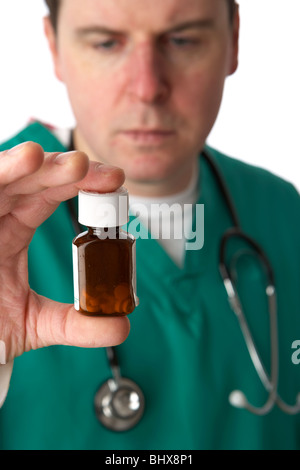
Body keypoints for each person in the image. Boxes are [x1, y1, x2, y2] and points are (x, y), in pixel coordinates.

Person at [0, 0, 299, 450]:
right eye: (106, 42)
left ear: (234, 37)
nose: (147, 87)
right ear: (54, 47)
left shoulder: (283, 213)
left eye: (182, 39)